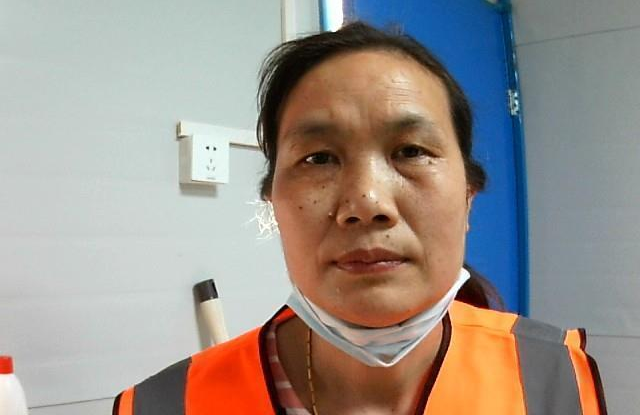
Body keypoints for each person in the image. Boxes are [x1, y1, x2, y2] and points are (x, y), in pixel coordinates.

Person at [113, 22, 606, 414]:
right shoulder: (165, 406)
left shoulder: (554, 379)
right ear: (273, 204)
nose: (367, 203)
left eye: (411, 151)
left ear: (468, 196)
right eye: (319, 158)